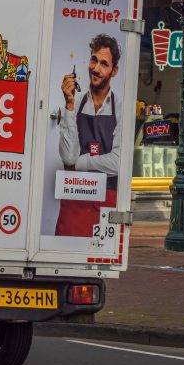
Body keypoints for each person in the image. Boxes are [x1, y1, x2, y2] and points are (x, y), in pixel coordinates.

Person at [55, 34, 121, 237]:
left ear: (114, 71)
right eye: (94, 60)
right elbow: (67, 157)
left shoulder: (121, 108)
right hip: (73, 204)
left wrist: (80, 163)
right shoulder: (75, 105)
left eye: (104, 64)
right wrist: (69, 104)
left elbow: (118, 163)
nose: (96, 69)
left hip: (104, 205)